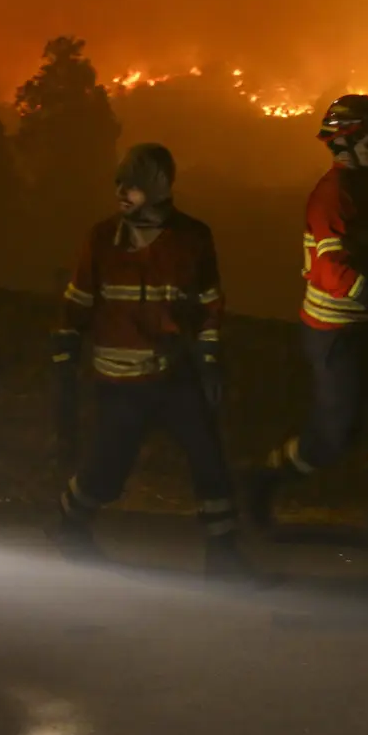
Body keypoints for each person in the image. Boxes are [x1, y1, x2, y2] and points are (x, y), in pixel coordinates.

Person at [242, 94, 368, 552]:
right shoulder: (334, 196)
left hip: (364, 325)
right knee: (335, 436)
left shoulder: (359, 188)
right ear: (346, 145)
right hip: (336, 334)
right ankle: (260, 482)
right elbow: (333, 274)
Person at [47, 142, 249, 580]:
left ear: (158, 190)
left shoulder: (193, 238)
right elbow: (77, 300)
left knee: (208, 457)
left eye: (134, 186)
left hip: (175, 373)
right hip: (120, 382)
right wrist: (65, 354)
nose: (122, 192)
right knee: (107, 471)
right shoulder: (101, 239)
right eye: (119, 183)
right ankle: (69, 525)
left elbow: (209, 302)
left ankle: (224, 554)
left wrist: (210, 356)